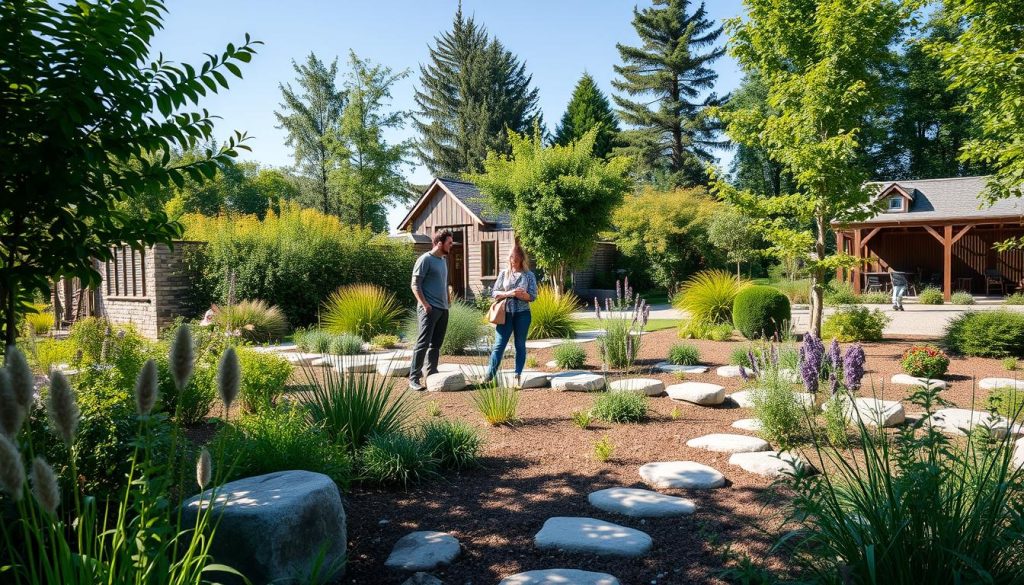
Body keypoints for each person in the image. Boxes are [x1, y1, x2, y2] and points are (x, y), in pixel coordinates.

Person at [484, 243, 538, 386]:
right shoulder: (504, 274)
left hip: (522, 314)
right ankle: (489, 375)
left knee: (520, 344)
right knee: (499, 345)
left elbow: (533, 296)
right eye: (511, 257)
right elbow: (495, 293)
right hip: (505, 314)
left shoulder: (529, 275)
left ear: (521, 258)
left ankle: (517, 375)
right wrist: (509, 293)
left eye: (516, 257)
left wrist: (523, 295)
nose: (513, 259)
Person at [408, 230, 455, 391]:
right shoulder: (425, 259)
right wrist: (425, 305)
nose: (451, 245)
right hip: (429, 309)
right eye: (449, 242)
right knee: (423, 343)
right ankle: (414, 378)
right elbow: (415, 285)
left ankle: (432, 373)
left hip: (443, 309)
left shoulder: (443, 260)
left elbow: (443, 283)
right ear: (439, 243)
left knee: (436, 344)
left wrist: (448, 299)